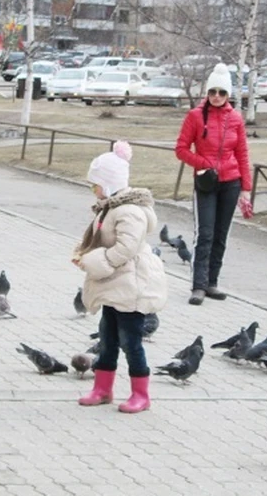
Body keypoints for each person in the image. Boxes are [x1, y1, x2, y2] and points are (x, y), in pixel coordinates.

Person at [73, 141, 167, 414]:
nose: (94, 190)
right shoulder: (109, 207)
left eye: (96, 185)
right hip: (115, 285)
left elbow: (125, 249)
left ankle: (141, 394)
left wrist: (95, 261)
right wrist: (84, 253)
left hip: (131, 286)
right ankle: (103, 388)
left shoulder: (129, 212)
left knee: (130, 342)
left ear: (111, 184)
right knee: (108, 337)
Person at [175, 63, 253, 306]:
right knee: (205, 234)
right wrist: (203, 163)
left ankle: (212, 282)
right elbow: (181, 148)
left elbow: (242, 153)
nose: (216, 97)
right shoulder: (196, 116)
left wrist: (246, 188)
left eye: (221, 92)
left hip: (230, 182)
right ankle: (198, 285)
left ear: (228, 95)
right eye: (212, 92)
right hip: (206, 182)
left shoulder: (236, 119)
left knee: (221, 235)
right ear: (207, 93)